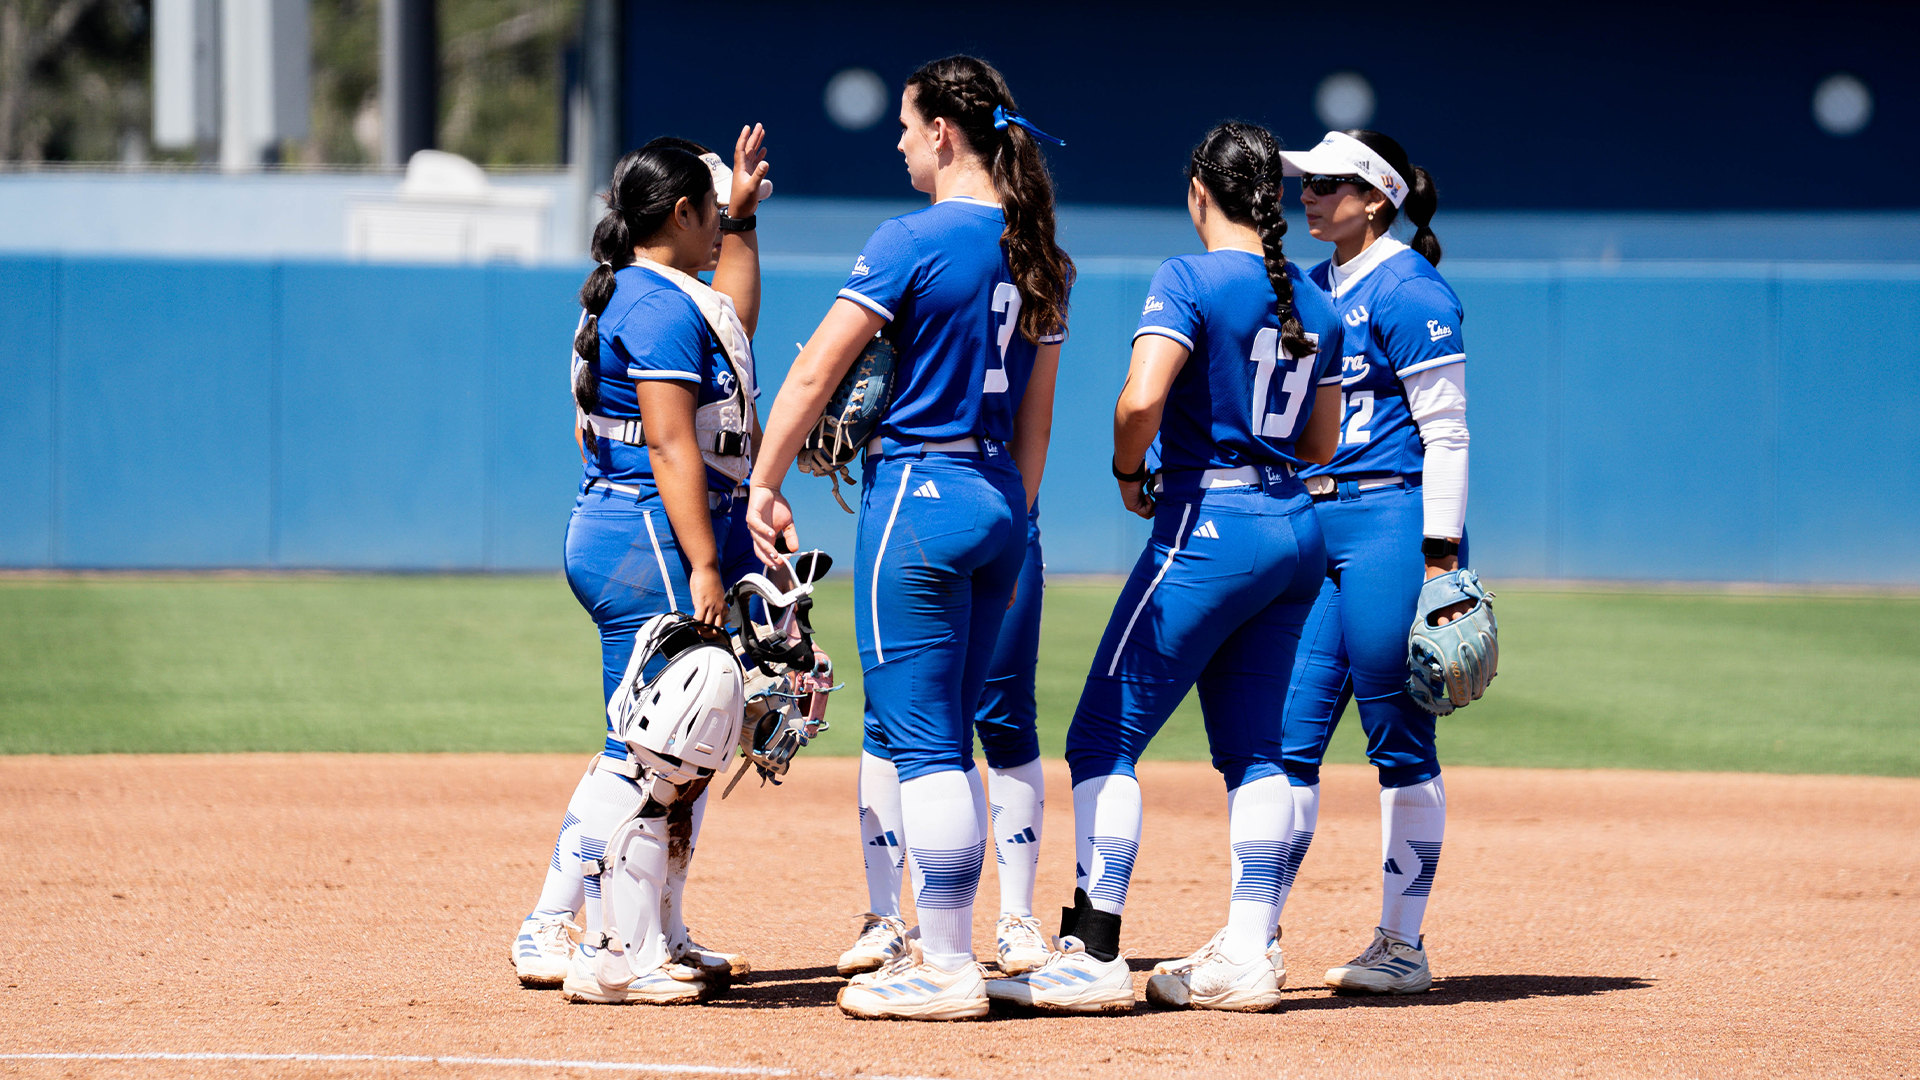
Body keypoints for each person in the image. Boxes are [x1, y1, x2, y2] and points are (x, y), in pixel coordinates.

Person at [986, 122, 1342, 1015]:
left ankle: (1094, 951)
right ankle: (1250, 951)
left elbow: (1143, 396)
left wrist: (1124, 470)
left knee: (1101, 737)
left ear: (1199, 194)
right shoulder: (1319, 300)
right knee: (1258, 750)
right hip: (1294, 525)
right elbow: (1322, 440)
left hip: (1208, 524)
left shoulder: (1187, 278)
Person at [746, 54, 1069, 1022]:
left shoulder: (910, 239)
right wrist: (1010, 514)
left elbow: (812, 376)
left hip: (920, 497)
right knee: (950, 733)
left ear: (944, 132)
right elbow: (1038, 426)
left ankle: (944, 961)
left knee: (921, 741)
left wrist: (762, 483)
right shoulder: (1041, 251)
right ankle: (950, 943)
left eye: (906, 123)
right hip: (1000, 499)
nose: (897, 141)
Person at [507, 126, 772, 1004]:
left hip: (651, 528)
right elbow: (668, 443)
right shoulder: (652, 303)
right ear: (681, 213)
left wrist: (743, 220)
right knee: (657, 747)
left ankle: (643, 928)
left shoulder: (660, 291)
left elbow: (733, 318)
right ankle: (604, 944)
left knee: (674, 746)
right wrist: (704, 559)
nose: (720, 228)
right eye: (712, 210)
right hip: (649, 534)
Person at [1266, 128, 1470, 995]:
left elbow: (1448, 430)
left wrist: (1439, 562)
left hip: (1389, 519)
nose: (1308, 194)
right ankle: (1255, 933)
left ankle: (1402, 944)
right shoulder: (1311, 287)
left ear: (1376, 199)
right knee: (1285, 739)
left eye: (1328, 183)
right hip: (1317, 520)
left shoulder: (1411, 288)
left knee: (1398, 740)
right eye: (1306, 182)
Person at [837, 503, 1050, 979]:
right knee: (892, 717)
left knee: (1005, 711)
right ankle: (885, 918)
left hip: (1001, 517)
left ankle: (1017, 917)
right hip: (902, 517)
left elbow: (1036, 430)